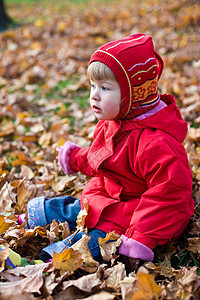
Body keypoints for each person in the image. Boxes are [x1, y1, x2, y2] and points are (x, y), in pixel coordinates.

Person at [18, 33, 194, 271]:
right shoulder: (114, 122)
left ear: (134, 95)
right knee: (76, 208)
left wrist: (140, 238)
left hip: (132, 215)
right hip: (107, 197)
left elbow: (169, 197)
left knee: (93, 242)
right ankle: (37, 216)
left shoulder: (156, 145)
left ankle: (47, 261)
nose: (94, 95)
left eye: (105, 88)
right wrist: (74, 158)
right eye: (92, 86)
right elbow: (100, 158)